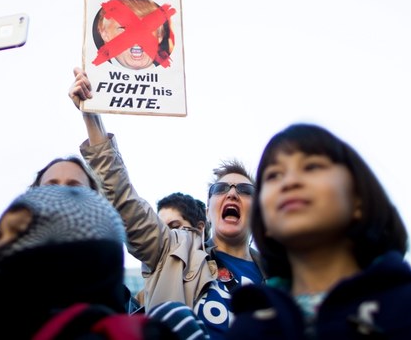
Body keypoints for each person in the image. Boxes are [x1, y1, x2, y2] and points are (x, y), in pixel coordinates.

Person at [0, 14, 144, 338]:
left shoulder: (118, 304)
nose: (61, 193)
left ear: (98, 206)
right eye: (51, 186)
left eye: (75, 187)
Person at [69, 67, 265, 339]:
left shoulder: (281, 275)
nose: (232, 194)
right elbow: (122, 198)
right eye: (221, 189)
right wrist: (92, 117)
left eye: (244, 190)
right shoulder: (172, 250)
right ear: (208, 212)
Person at [224, 123, 411, 339]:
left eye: (311, 167)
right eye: (274, 175)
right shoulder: (248, 327)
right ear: (265, 222)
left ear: (358, 201)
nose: (289, 182)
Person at [92, 0, 175, 70]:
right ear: (105, 34)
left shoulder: (173, 78)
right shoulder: (92, 74)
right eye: (125, 28)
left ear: (159, 36)